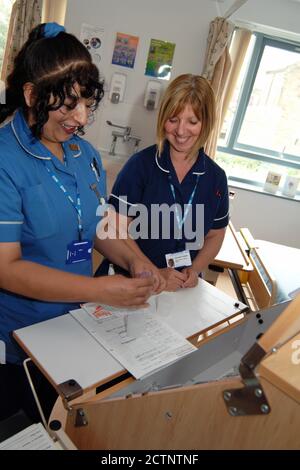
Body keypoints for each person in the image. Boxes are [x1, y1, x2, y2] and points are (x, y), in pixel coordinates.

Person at [0, 22, 161, 423]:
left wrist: (134, 261)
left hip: (74, 326)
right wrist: (98, 288)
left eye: (88, 103)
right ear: (32, 94)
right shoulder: (5, 160)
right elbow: (6, 268)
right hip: (17, 342)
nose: (82, 117)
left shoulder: (84, 154)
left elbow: (98, 224)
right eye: (69, 105)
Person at [97, 74, 229, 291]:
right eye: (173, 119)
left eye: (192, 121)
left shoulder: (215, 177)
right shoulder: (140, 166)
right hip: (131, 282)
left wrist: (195, 269)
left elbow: (215, 234)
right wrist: (154, 272)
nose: (180, 131)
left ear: (206, 123)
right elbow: (114, 228)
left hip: (181, 288)